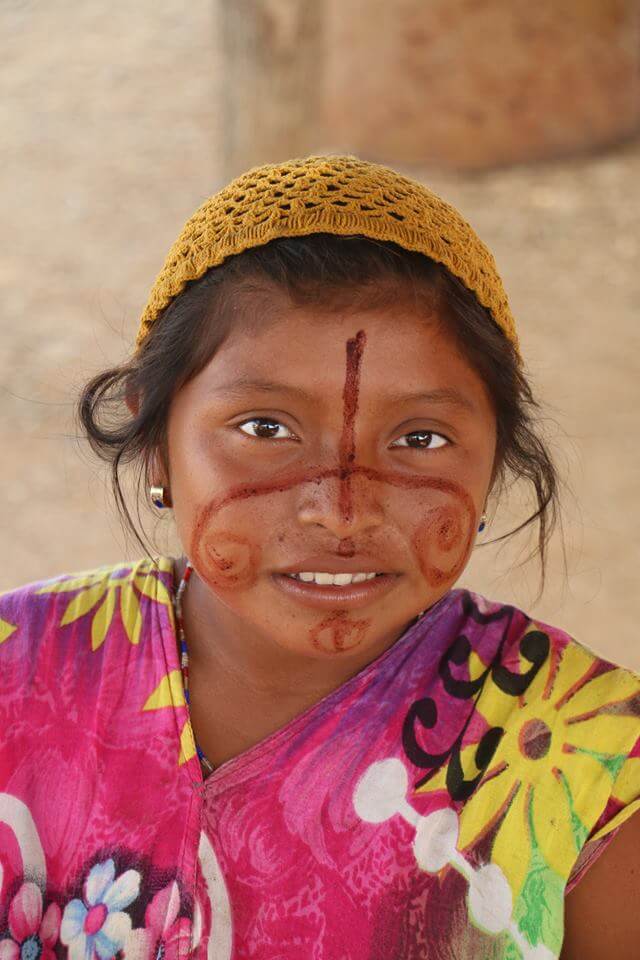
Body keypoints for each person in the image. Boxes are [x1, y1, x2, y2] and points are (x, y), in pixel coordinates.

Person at [0, 154, 637, 960]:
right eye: (265, 429)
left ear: (496, 458)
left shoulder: (594, 774)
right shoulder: (17, 677)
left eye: (420, 440)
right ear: (156, 441)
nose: (340, 513)